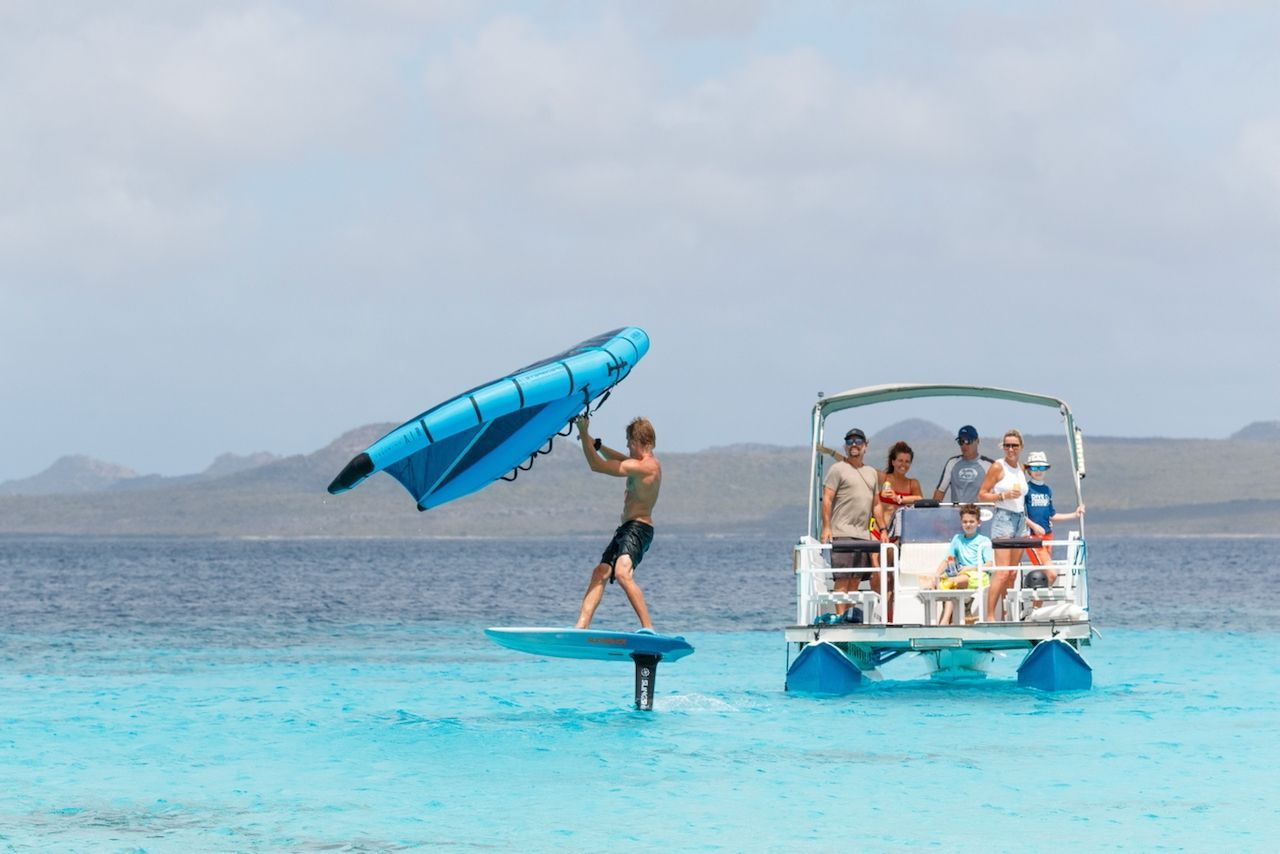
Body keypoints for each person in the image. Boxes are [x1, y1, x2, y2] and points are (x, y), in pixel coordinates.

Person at [572, 415, 661, 631]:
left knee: (622, 573)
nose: (628, 447)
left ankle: (648, 628)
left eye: (629, 443)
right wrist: (598, 445)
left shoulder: (647, 467)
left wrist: (584, 434)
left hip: (639, 528)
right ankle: (580, 627)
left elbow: (597, 465)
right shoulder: (642, 464)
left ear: (638, 442)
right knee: (600, 571)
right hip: (626, 529)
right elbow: (622, 460)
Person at [819, 428, 888, 617]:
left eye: (858, 441)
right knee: (843, 579)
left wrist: (883, 529)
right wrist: (826, 527)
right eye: (849, 442)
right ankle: (841, 619)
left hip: (863, 536)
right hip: (842, 534)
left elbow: (876, 504)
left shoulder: (871, 473)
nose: (854, 445)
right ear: (845, 446)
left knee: (856, 579)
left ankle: (849, 618)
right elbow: (827, 499)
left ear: (866, 445)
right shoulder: (837, 469)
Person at [979, 428, 1029, 620]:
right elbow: (982, 494)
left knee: (1012, 575)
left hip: (1019, 520)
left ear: (1021, 447)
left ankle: (1007, 614)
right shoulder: (998, 467)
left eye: (1014, 445)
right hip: (1003, 518)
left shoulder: (1021, 469)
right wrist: (1002, 495)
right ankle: (991, 616)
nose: (1010, 449)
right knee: (1001, 573)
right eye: (1007, 445)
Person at [1023, 450, 1084, 584]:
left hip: (1048, 536)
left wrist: (1074, 514)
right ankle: (1036, 605)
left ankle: (1037, 605)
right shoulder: (1026, 489)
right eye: (1034, 467)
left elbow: (1052, 515)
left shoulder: (1047, 490)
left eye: (1041, 467)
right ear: (1029, 470)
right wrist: (1034, 526)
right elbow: (1020, 514)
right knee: (1050, 574)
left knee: (1043, 575)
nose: (1038, 471)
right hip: (1032, 537)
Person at [928, 503, 994, 624]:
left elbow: (989, 565)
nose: (968, 524)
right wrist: (936, 574)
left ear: (978, 522)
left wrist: (970, 568)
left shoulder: (984, 541)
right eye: (965, 522)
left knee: (953, 582)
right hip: (959, 575)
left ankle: (945, 621)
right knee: (936, 583)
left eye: (971, 521)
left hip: (979, 575)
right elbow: (948, 559)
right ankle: (954, 614)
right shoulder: (957, 538)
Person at [932, 425, 994, 503]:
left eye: (968, 441)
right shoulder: (952, 463)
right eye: (961, 441)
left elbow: (997, 492)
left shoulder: (989, 465)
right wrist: (933, 513)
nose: (964, 445)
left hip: (980, 513)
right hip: (956, 513)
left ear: (977, 441)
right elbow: (940, 491)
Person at [877, 440, 924, 538]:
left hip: (899, 535)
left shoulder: (913, 483)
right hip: (878, 531)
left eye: (907, 461)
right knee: (876, 552)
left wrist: (899, 498)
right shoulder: (883, 477)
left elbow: (920, 499)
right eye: (900, 460)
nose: (904, 464)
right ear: (893, 462)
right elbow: (862, 469)